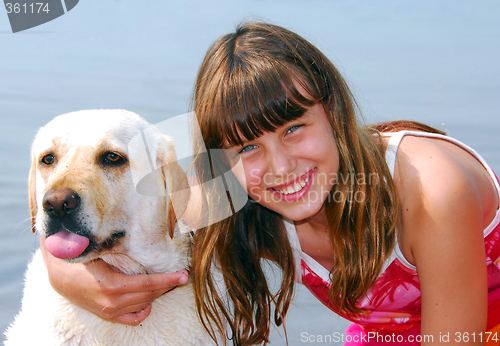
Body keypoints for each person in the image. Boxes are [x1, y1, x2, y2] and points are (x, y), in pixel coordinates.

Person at [42, 22, 500, 345]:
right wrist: (73, 283)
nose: (280, 167)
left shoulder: (432, 190)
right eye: (246, 147)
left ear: (333, 110)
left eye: (294, 128)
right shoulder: (225, 183)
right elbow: (79, 213)